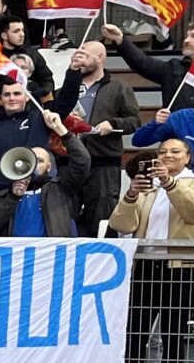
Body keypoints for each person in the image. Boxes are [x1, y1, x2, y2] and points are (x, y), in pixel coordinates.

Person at [110, 138, 194, 363]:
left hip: (183, 267)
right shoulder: (147, 188)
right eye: (162, 151)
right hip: (147, 265)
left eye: (175, 151)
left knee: (173, 334)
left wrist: (170, 183)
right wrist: (132, 194)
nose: (167, 155)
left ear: (187, 157)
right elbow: (121, 224)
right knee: (136, 332)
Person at [55, 40, 141, 234]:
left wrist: (113, 123)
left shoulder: (119, 87)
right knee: (63, 219)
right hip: (69, 161)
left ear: (100, 57)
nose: (79, 58)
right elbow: (54, 115)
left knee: (102, 219)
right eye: (77, 55)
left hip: (103, 163)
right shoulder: (66, 87)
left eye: (84, 55)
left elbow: (134, 121)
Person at [0, 118, 88, 237]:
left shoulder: (61, 189)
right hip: (16, 253)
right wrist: (13, 197)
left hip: (50, 253)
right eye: (30, 160)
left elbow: (82, 161)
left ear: (49, 167)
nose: (34, 165)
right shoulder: (6, 194)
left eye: (40, 161)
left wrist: (63, 131)